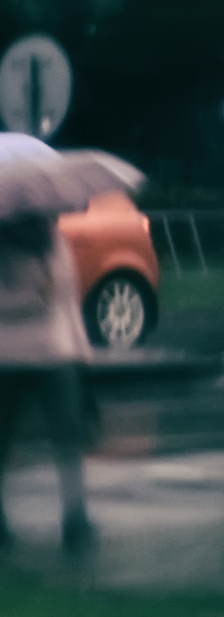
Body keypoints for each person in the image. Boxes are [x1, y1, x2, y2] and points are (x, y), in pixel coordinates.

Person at [0, 211, 94, 550]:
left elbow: (69, 301)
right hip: (8, 355)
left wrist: (80, 351)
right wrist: (37, 295)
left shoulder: (54, 240)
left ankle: (75, 519)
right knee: (3, 438)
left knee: (68, 437)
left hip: (55, 352)